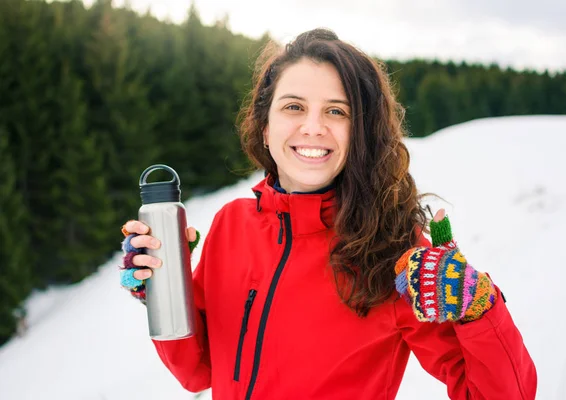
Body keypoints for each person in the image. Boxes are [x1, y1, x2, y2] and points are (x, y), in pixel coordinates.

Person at [119, 28, 537, 399]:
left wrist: (478, 309)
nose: (313, 127)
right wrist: (160, 289)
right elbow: (198, 371)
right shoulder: (233, 224)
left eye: (336, 111)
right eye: (294, 107)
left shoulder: (392, 250)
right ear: (265, 126)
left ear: (360, 134)